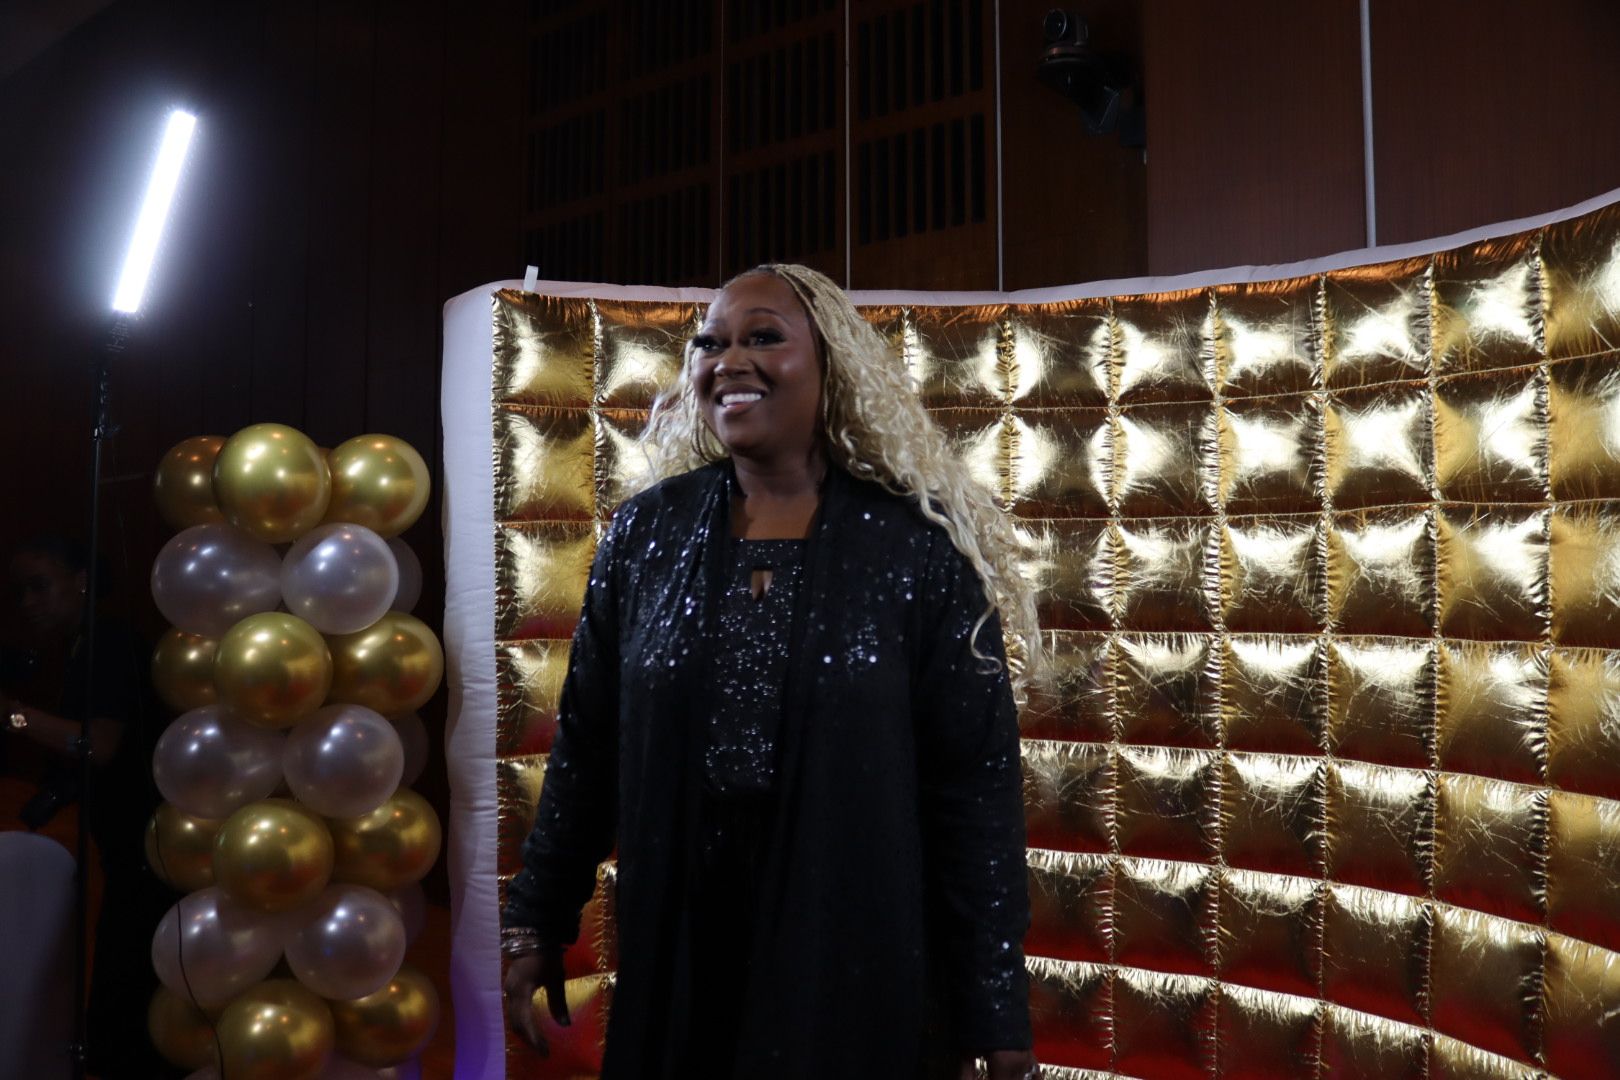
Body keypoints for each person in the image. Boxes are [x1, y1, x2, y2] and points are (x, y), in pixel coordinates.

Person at [501, 264, 1042, 1079]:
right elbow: (586, 750)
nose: (729, 360)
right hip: (681, 958)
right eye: (709, 343)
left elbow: (974, 796)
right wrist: (535, 921)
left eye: (763, 337)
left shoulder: (916, 549)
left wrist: (993, 1010)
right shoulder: (646, 536)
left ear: (831, 366)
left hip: (857, 965)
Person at [1, 536, 181, 1079]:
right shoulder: (82, 646)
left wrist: (12, 716)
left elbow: (98, 745)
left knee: (126, 994)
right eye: (19, 591)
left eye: (40, 585)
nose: (28, 602)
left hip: (151, 843)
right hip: (129, 842)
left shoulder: (106, 642)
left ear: (81, 581)